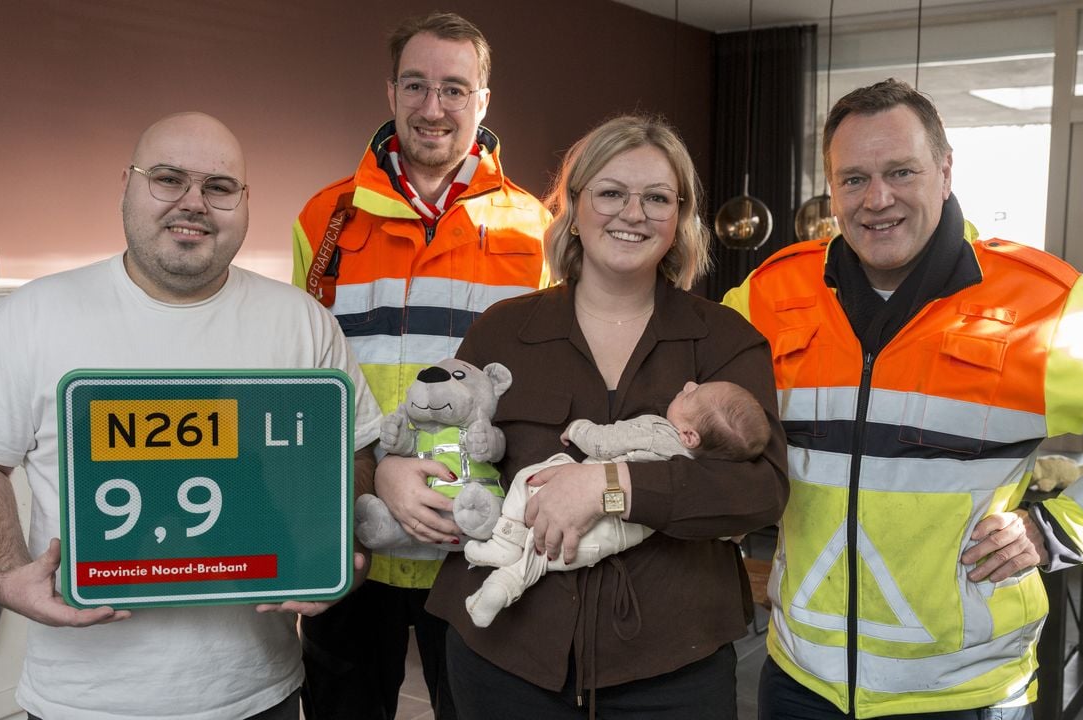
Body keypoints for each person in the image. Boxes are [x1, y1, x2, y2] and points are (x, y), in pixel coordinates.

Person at [0, 112, 384, 720]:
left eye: (219, 187)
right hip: (83, 701)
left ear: (245, 202)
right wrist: (4, 575)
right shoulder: (33, 315)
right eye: (167, 178)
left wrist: (335, 546)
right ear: (129, 185)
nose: (193, 203)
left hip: (260, 691)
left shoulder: (301, 322)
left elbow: (353, 453)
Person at [723, 78, 1083, 719]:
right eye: (853, 179)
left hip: (961, 691)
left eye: (901, 171)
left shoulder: (1039, 305)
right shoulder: (771, 293)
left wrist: (1057, 531)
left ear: (946, 170)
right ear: (831, 188)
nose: (878, 200)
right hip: (800, 679)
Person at [415, 114, 788, 719]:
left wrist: (613, 486)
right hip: (504, 657)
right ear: (574, 206)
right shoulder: (503, 330)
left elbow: (760, 492)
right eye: (611, 192)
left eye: (657, 198)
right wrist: (404, 476)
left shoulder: (724, 339)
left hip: (672, 667)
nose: (632, 213)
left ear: (681, 217)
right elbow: (447, 446)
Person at [290, 12, 548, 720]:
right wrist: (376, 472)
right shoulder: (322, 221)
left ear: (484, 101)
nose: (433, 108)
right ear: (390, 90)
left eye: (455, 89)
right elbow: (307, 386)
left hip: (478, 544)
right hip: (353, 539)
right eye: (416, 85)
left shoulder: (536, 229)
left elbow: (545, 395)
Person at [464, 379, 772, 627]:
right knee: (542, 556)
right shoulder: (704, 473)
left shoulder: (656, 429)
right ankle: (503, 585)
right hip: (618, 536)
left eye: (693, 396)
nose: (689, 385)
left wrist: (578, 428)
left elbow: (604, 441)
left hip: (577, 487)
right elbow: (713, 521)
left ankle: (506, 540)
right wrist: (732, 533)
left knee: (531, 478)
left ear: (689, 436)